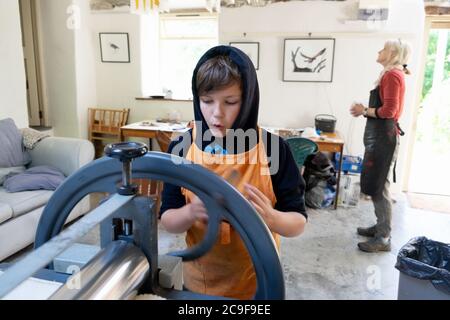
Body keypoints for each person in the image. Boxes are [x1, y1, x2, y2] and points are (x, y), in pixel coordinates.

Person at [160, 45, 307, 299]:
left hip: (257, 283)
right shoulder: (183, 147)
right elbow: (168, 220)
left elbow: (298, 222)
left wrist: (272, 219)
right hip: (200, 285)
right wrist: (189, 212)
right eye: (207, 101)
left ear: (248, 99)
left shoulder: (273, 149)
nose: (217, 113)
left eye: (230, 102)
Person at [350, 39, 411, 253]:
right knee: (376, 184)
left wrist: (363, 110)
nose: (379, 51)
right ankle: (380, 226)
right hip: (381, 136)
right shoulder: (389, 74)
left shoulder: (392, 75)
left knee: (380, 187)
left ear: (392, 53)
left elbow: (389, 112)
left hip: (385, 137)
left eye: (383, 49)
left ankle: (383, 237)